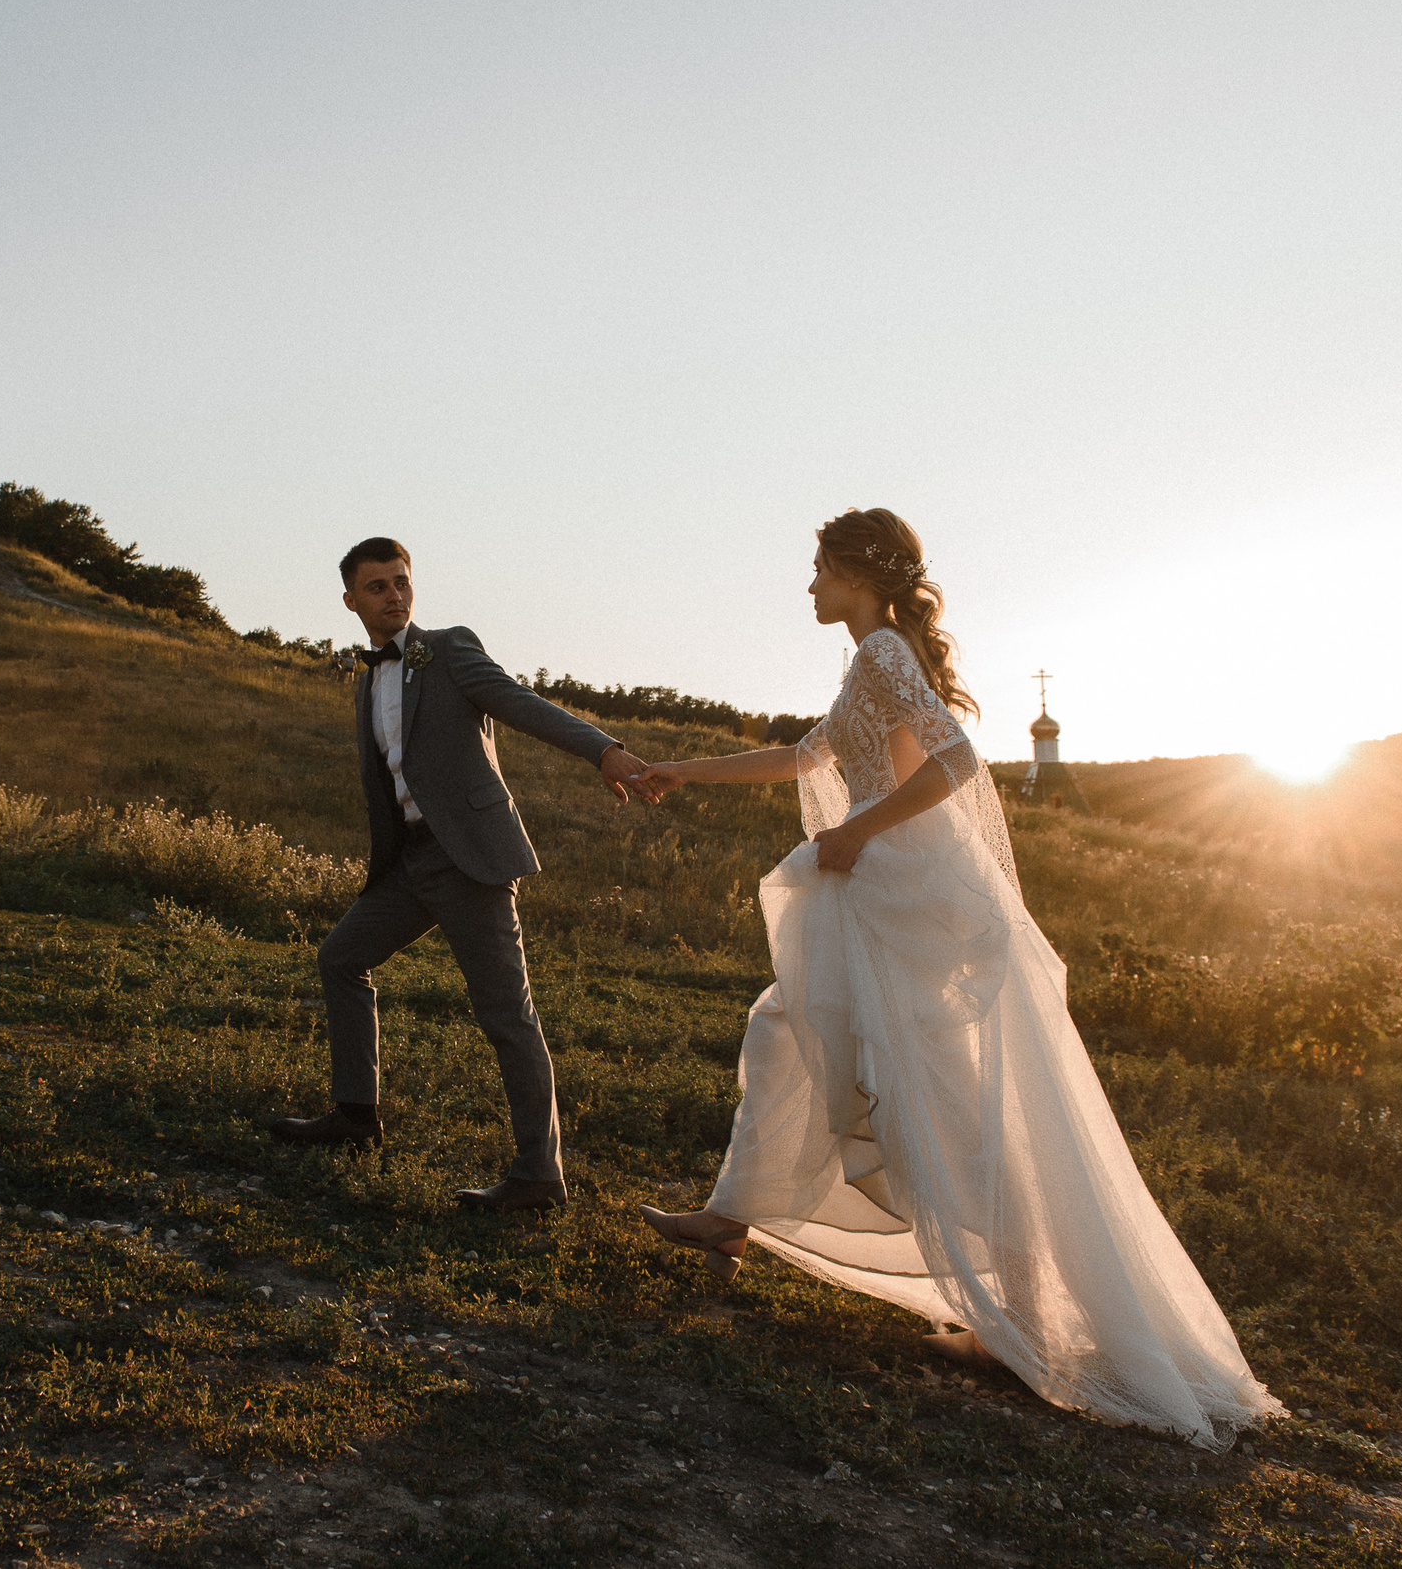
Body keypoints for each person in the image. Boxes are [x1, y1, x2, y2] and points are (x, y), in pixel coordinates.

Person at [633, 508, 1283, 1449]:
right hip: (878, 886)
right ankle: (733, 1215)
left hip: (906, 892)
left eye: (818, 570)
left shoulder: (886, 653)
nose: (808, 586)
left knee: (942, 1098)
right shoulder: (873, 657)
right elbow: (806, 755)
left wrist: (858, 830)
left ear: (858, 574)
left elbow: (957, 759)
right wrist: (681, 769)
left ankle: (1013, 1319)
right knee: (787, 1027)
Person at [266, 536, 654, 1211]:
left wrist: (603, 751)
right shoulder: (367, 680)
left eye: (401, 581)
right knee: (341, 958)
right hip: (410, 862)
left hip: (469, 858)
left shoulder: (446, 650)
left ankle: (539, 1175)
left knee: (507, 1013)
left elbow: (521, 702)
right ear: (352, 599)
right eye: (378, 586)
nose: (393, 595)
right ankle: (357, 1114)